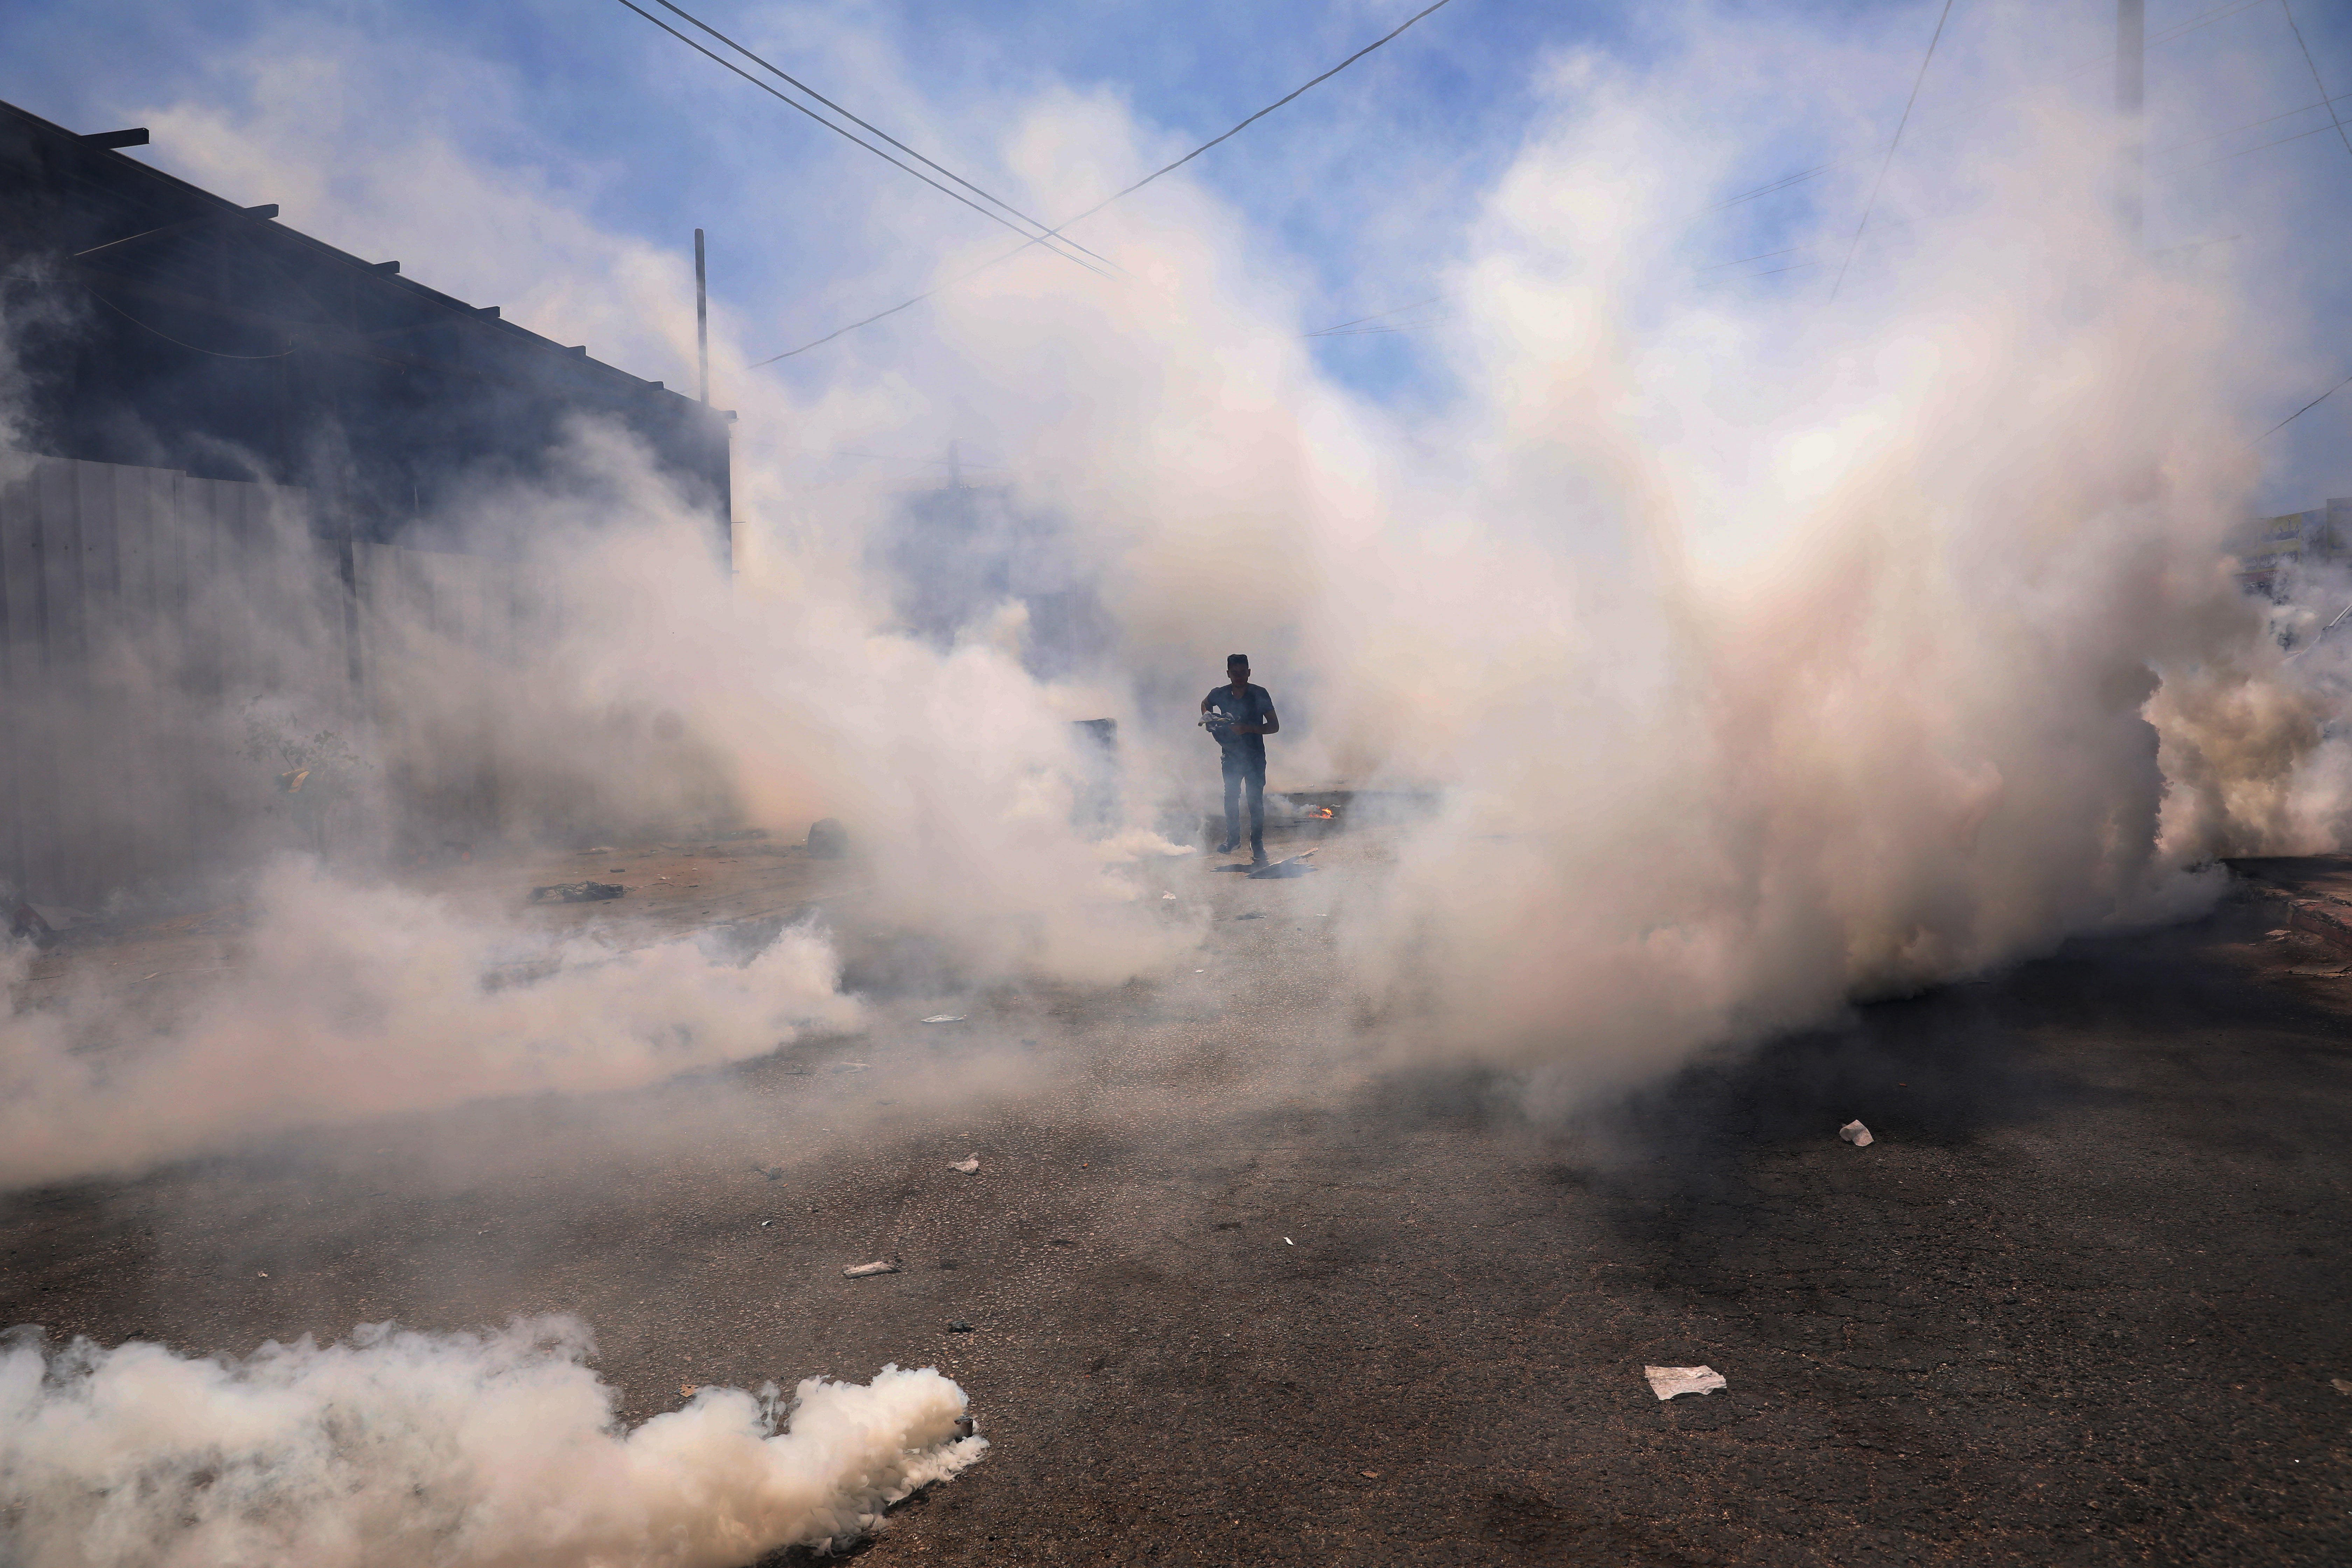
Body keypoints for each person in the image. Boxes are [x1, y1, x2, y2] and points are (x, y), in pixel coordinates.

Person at [1200, 653, 1279, 864]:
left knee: (1255, 801)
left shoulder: (1259, 694)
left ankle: (1258, 844)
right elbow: (1205, 704)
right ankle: (1233, 839)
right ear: (1228, 674)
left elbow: (1274, 726)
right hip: (1231, 754)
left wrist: (1247, 729)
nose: (1239, 677)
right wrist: (1210, 718)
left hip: (1254, 756)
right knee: (1231, 797)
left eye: (1243, 673)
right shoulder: (1220, 694)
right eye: (1234, 673)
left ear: (1249, 672)